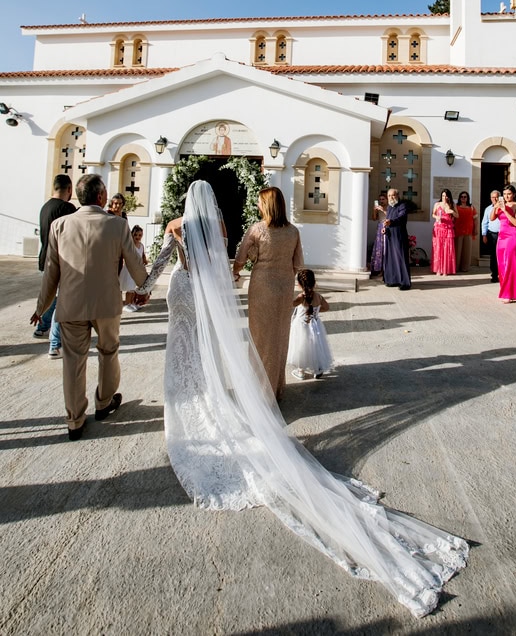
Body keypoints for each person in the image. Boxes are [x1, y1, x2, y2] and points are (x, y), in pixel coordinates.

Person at [135, 179, 468, 617]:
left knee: (247, 344)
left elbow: (231, 261)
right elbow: (296, 264)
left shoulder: (204, 227)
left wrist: (224, 272)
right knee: (275, 341)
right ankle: (273, 390)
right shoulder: (281, 231)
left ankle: (251, 392)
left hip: (220, 290)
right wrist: (299, 290)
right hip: (279, 287)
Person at [30, 174, 148, 441]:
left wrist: (41, 307)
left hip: (70, 302)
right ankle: (104, 402)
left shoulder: (59, 226)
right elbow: (134, 263)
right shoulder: (117, 225)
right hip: (106, 303)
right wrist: (143, 289)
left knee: (72, 361)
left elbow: (51, 272)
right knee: (108, 351)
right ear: (100, 196)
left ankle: (74, 420)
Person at [232, 187, 304, 400]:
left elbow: (239, 259)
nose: (257, 205)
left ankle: (258, 390)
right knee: (280, 337)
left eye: (259, 202)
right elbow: (298, 264)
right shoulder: (293, 231)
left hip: (262, 287)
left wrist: (235, 271)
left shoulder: (257, 229)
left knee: (260, 338)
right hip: (284, 288)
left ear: (267, 205)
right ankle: (276, 388)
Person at [33, 174, 77, 359]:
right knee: (62, 302)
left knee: (55, 297)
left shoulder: (45, 207)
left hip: (46, 258)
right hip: (62, 261)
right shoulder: (67, 208)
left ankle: (42, 327)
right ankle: (55, 344)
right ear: (69, 189)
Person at [287, 269, 333, 380]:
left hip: (301, 326)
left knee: (301, 347)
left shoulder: (301, 297)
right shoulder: (319, 296)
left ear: (299, 284)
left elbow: (291, 305)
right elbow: (326, 307)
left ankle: (301, 371)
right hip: (315, 325)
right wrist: (315, 312)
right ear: (314, 282)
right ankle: (317, 370)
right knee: (315, 346)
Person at [491, 184, 516, 303]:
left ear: (514, 194)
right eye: (504, 194)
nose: (506, 196)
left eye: (509, 194)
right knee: (502, 265)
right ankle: (505, 291)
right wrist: (496, 207)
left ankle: (510, 293)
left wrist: (505, 210)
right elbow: (492, 218)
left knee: (510, 265)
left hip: (512, 236)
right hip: (501, 237)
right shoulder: (500, 204)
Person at [382, 188, 411, 290]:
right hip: (390, 235)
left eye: (393, 195)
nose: (391, 197)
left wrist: (391, 222)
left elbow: (402, 218)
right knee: (391, 258)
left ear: (397, 196)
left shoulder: (402, 205)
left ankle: (405, 283)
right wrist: (384, 228)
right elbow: (387, 220)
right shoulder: (389, 207)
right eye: (389, 196)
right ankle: (393, 280)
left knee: (401, 257)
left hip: (399, 235)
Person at [121, 225, 148, 311]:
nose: (137, 237)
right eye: (135, 235)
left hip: (137, 270)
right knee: (130, 288)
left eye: (140, 235)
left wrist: (145, 261)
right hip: (130, 269)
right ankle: (127, 304)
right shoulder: (130, 245)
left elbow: (142, 255)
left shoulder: (141, 245)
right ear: (132, 235)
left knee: (134, 288)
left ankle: (132, 303)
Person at [431, 189, 458, 276]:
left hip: (448, 228)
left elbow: (457, 216)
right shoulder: (437, 204)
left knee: (447, 248)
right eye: (443, 196)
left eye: (446, 196)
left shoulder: (452, 204)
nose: (444, 197)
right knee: (438, 248)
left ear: (449, 196)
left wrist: (452, 212)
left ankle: (446, 269)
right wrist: (436, 217)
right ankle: (438, 269)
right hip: (439, 228)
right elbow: (433, 214)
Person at [454, 191, 478, 273]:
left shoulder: (471, 207)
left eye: (465, 197)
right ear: (459, 198)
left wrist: (476, 229)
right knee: (457, 250)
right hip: (458, 231)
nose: (463, 198)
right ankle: (456, 267)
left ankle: (465, 268)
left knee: (467, 251)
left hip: (468, 231)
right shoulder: (456, 207)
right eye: (462, 197)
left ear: (467, 198)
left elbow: (475, 219)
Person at [481, 190, 501, 283]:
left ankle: (502, 274)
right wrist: (484, 234)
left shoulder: (503, 208)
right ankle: (494, 275)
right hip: (492, 235)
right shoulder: (488, 209)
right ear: (490, 198)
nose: (495, 199)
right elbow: (484, 222)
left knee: (502, 256)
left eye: (496, 197)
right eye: (493, 197)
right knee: (493, 256)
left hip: (503, 235)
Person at [370, 191, 388, 277]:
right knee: (379, 248)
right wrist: (374, 211)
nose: (381, 201)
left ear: (387, 200)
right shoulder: (379, 207)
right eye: (380, 199)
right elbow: (374, 218)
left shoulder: (389, 207)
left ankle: (386, 269)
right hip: (380, 227)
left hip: (387, 227)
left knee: (386, 248)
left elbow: (390, 217)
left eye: (383, 199)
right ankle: (378, 268)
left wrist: (383, 210)